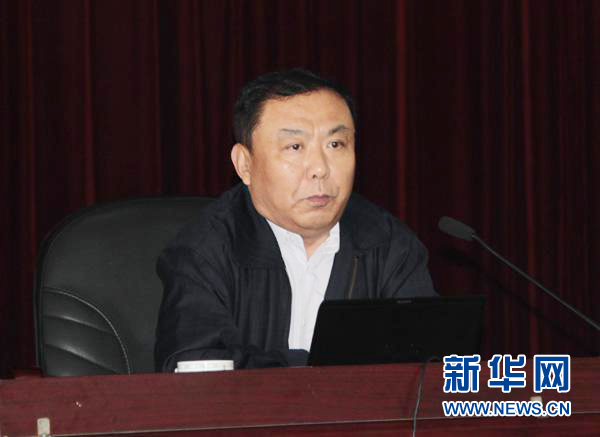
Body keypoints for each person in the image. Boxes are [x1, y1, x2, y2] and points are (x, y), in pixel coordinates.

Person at [154, 68, 436, 371]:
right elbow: (196, 366)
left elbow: (429, 362)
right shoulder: (205, 251)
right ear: (245, 165)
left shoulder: (388, 243)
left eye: (335, 144)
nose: (319, 168)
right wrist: (323, 368)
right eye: (295, 147)